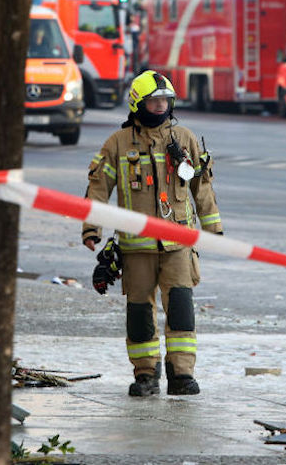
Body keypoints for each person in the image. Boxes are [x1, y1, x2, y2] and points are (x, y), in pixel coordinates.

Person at [82, 70, 223, 397]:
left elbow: (201, 186)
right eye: (154, 100)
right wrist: (92, 229)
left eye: (165, 100)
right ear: (137, 103)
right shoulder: (117, 144)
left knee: (181, 309)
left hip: (179, 245)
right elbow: (98, 187)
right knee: (140, 311)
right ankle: (146, 375)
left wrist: (213, 227)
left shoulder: (185, 138)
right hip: (136, 249)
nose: (160, 106)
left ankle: (181, 375)